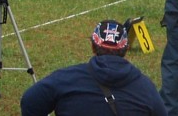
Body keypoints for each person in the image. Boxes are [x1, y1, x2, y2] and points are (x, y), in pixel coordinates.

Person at [20, 20, 166, 116]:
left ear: (92, 46)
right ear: (126, 50)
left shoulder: (65, 79)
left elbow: (29, 102)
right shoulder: (146, 88)